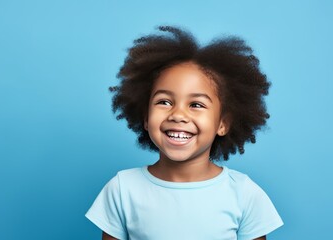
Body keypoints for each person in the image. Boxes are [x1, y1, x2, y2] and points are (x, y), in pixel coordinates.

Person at [85, 26, 283, 240]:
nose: (178, 114)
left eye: (196, 104)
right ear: (145, 117)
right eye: (164, 102)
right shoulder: (122, 189)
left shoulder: (244, 194)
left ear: (222, 124)